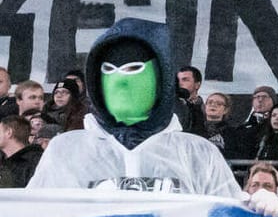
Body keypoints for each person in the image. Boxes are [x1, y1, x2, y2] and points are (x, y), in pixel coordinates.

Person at [29, 18, 239, 196]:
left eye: (133, 69)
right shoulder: (67, 151)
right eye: (109, 70)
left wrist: (264, 213)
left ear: (160, 79)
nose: (119, 81)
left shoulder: (198, 155)